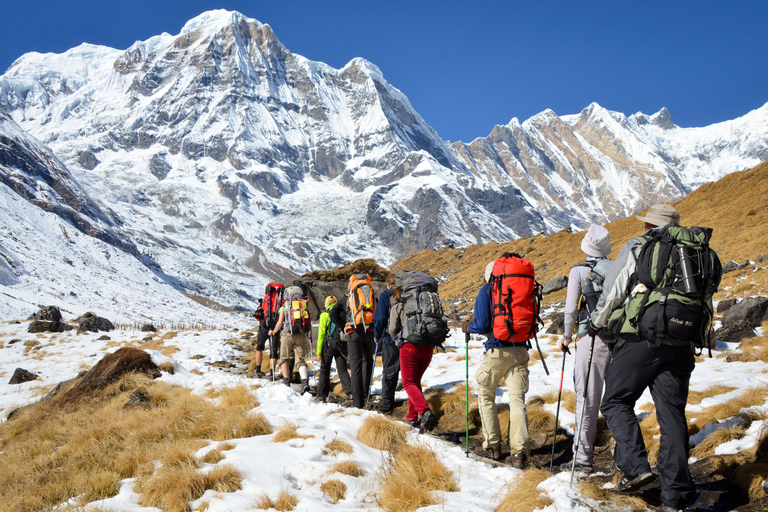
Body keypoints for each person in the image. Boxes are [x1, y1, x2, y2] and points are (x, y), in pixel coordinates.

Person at [588, 203, 696, 510]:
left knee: (615, 401)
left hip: (640, 338)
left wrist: (597, 322)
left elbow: (615, 289)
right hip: (681, 343)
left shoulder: (639, 246)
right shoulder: (692, 252)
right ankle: (675, 496)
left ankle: (636, 468)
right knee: (672, 415)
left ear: (649, 226)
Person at [462, 261, 530, 469]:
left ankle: (492, 446)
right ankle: (519, 453)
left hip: (497, 350)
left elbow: (481, 324)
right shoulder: (522, 288)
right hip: (520, 350)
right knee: (517, 401)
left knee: (486, 394)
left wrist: (468, 326)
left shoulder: (487, 290)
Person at [559, 224, 612, 473]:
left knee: (587, 399)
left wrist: (567, 337)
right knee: (617, 400)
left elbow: (571, 309)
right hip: (621, 340)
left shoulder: (579, 271)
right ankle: (624, 457)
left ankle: (582, 460)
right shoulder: (617, 268)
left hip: (592, 339)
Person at [389, 283, 436, 430]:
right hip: (428, 347)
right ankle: (412, 417)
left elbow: (392, 329)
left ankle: (425, 411)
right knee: (415, 381)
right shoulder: (423, 305)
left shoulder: (398, 306)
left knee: (408, 382)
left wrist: (397, 339)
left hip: (409, 347)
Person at [315, 295, 352, 402]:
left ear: (327, 304)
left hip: (329, 346)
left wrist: (318, 352)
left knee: (324, 369)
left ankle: (322, 395)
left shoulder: (324, 315)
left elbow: (321, 335)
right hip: (342, 344)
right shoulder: (342, 313)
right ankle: (350, 393)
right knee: (342, 369)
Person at [270, 300, 310, 393]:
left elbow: (280, 322)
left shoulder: (283, 308)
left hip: (287, 335)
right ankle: (305, 381)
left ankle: (286, 380)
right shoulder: (302, 307)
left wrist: (273, 332)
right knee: (300, 359)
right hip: (301, 334)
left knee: (284, 358)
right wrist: (309, 335)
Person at [374, 273, 400, 414]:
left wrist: (377, 335)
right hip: (408, 339)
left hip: (390, 338)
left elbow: (380, 318)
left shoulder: (386, 295)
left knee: (389, 371)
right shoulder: (408, 294)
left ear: (388, 284)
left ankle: (387, 404)